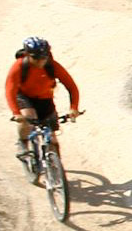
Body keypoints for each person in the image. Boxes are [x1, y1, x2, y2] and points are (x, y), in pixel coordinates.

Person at [6, 36, 82, 166]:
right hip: (24, 96)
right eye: (36, 58)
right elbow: (10, 90)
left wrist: (73, 108)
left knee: (52, 137)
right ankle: (23, 143)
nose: (40, 61)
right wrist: (16, 113)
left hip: (44, 98)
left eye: (43, 57)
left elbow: (72, 87)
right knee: (28, 117)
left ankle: (55, 167)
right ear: (28, 55)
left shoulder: (52, 66)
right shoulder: (19, 66)